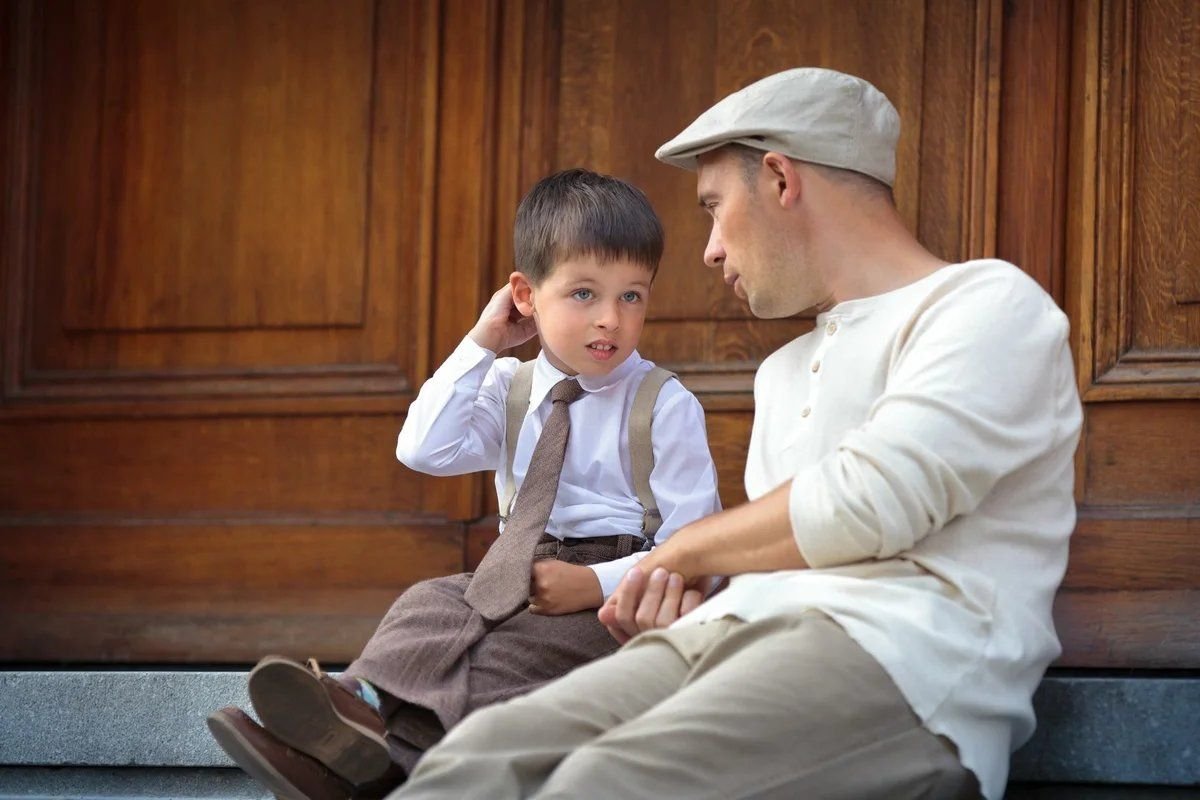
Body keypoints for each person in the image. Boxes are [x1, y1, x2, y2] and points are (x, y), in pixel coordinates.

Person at [391, 68, 1083, 800]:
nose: (710, 251)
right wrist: (683, 599)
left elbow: (872, 501)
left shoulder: (985, 304)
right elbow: (767, 564)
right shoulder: (781, 374)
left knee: (601, 784)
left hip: (904, 664)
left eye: (716, 209)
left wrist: (684, 551)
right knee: (479, 758)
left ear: (781, 179)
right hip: (729, 637)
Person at [205, 169, 721, 800]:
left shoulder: (662, 404)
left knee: (507, 658)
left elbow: (697, 542)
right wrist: (483, 341)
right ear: (525, 296)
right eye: (583, 294)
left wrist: (593, 584)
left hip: (615, 590)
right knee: (431, 604)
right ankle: (352, 705)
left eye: (632, 296)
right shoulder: (506, 386)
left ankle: (366, 765)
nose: (610, 319)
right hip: (512, 569)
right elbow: (423, 448)